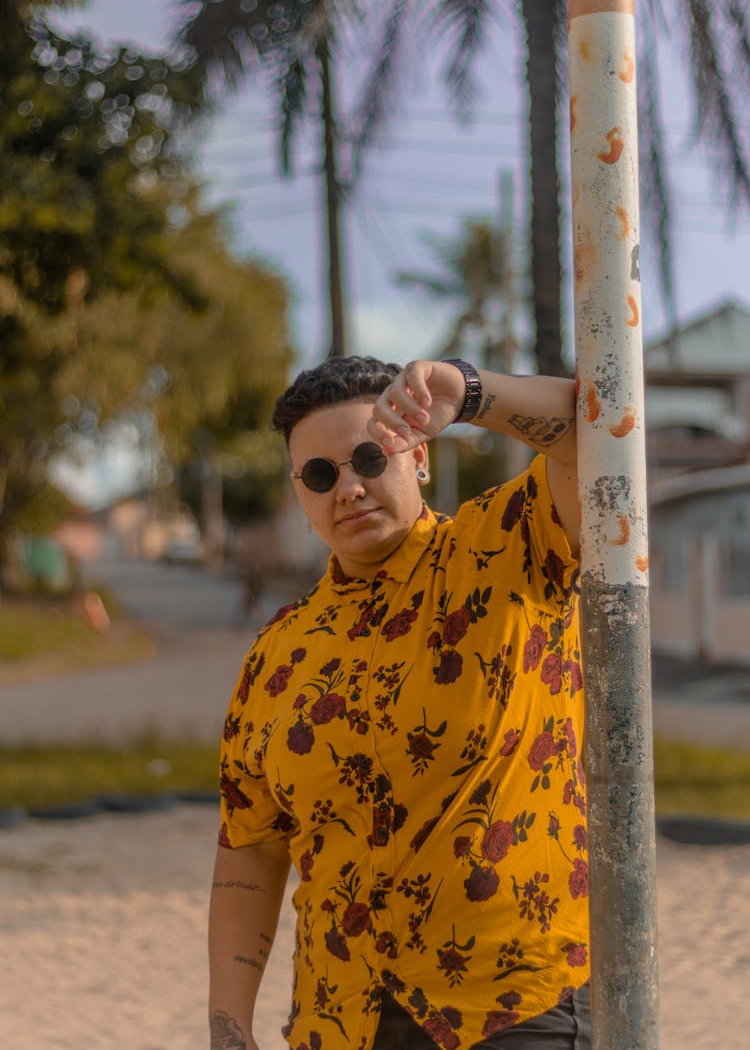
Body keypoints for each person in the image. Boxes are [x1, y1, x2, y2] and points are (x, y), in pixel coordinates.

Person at [208, 356, 590, 1050]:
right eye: (320, 476)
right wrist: (228, 1026)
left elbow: (599, 430)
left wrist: (469, 392)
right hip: (340, 1019)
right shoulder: (277, 655)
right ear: (300, 494)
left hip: (510, 1006)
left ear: (416, 455)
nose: (348, 488)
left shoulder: (505, 547)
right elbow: (250, 850)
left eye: (368, 457)